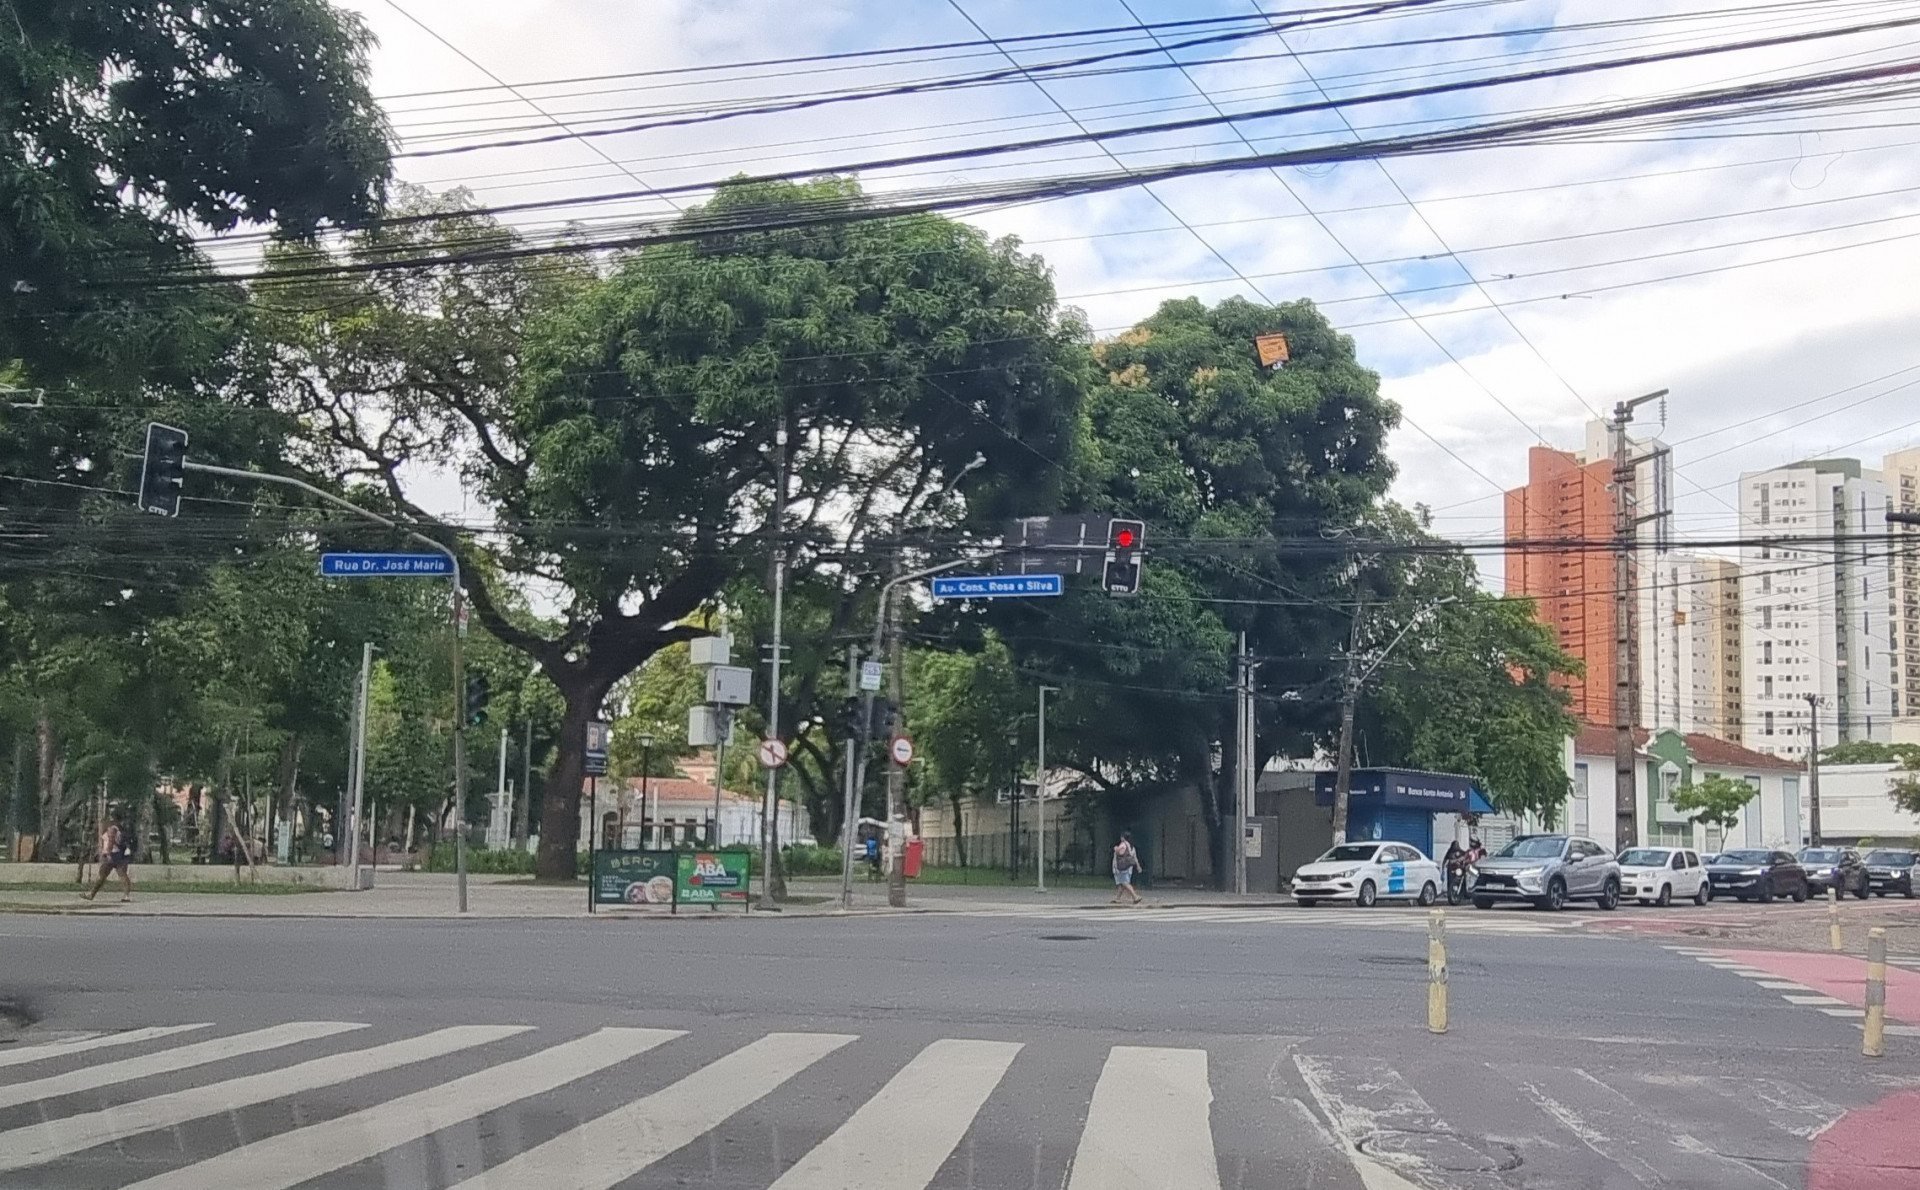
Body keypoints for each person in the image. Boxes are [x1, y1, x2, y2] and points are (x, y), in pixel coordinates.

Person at [83, 821, 134, 903]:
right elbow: (106, 846)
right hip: (111, 857)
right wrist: (104, 853)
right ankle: (92, 894)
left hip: (118, 857)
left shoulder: (117, 834)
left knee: (122, 875)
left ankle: (126, 895)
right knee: (103, 876)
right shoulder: (106, 834)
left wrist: (108, 853)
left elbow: (112, 845)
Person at [1111, 831, 1144, 906]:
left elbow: (1120, 852)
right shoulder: (1131, 846)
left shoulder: (1123, 844)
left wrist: (1116, 848)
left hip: (1122, 867)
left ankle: (1135, 896)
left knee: (1124, 883)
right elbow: (1134, 857)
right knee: (1122, 883)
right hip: (1128, 867)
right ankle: (1118, 898)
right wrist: (1138, 866)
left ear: (1123, 837)